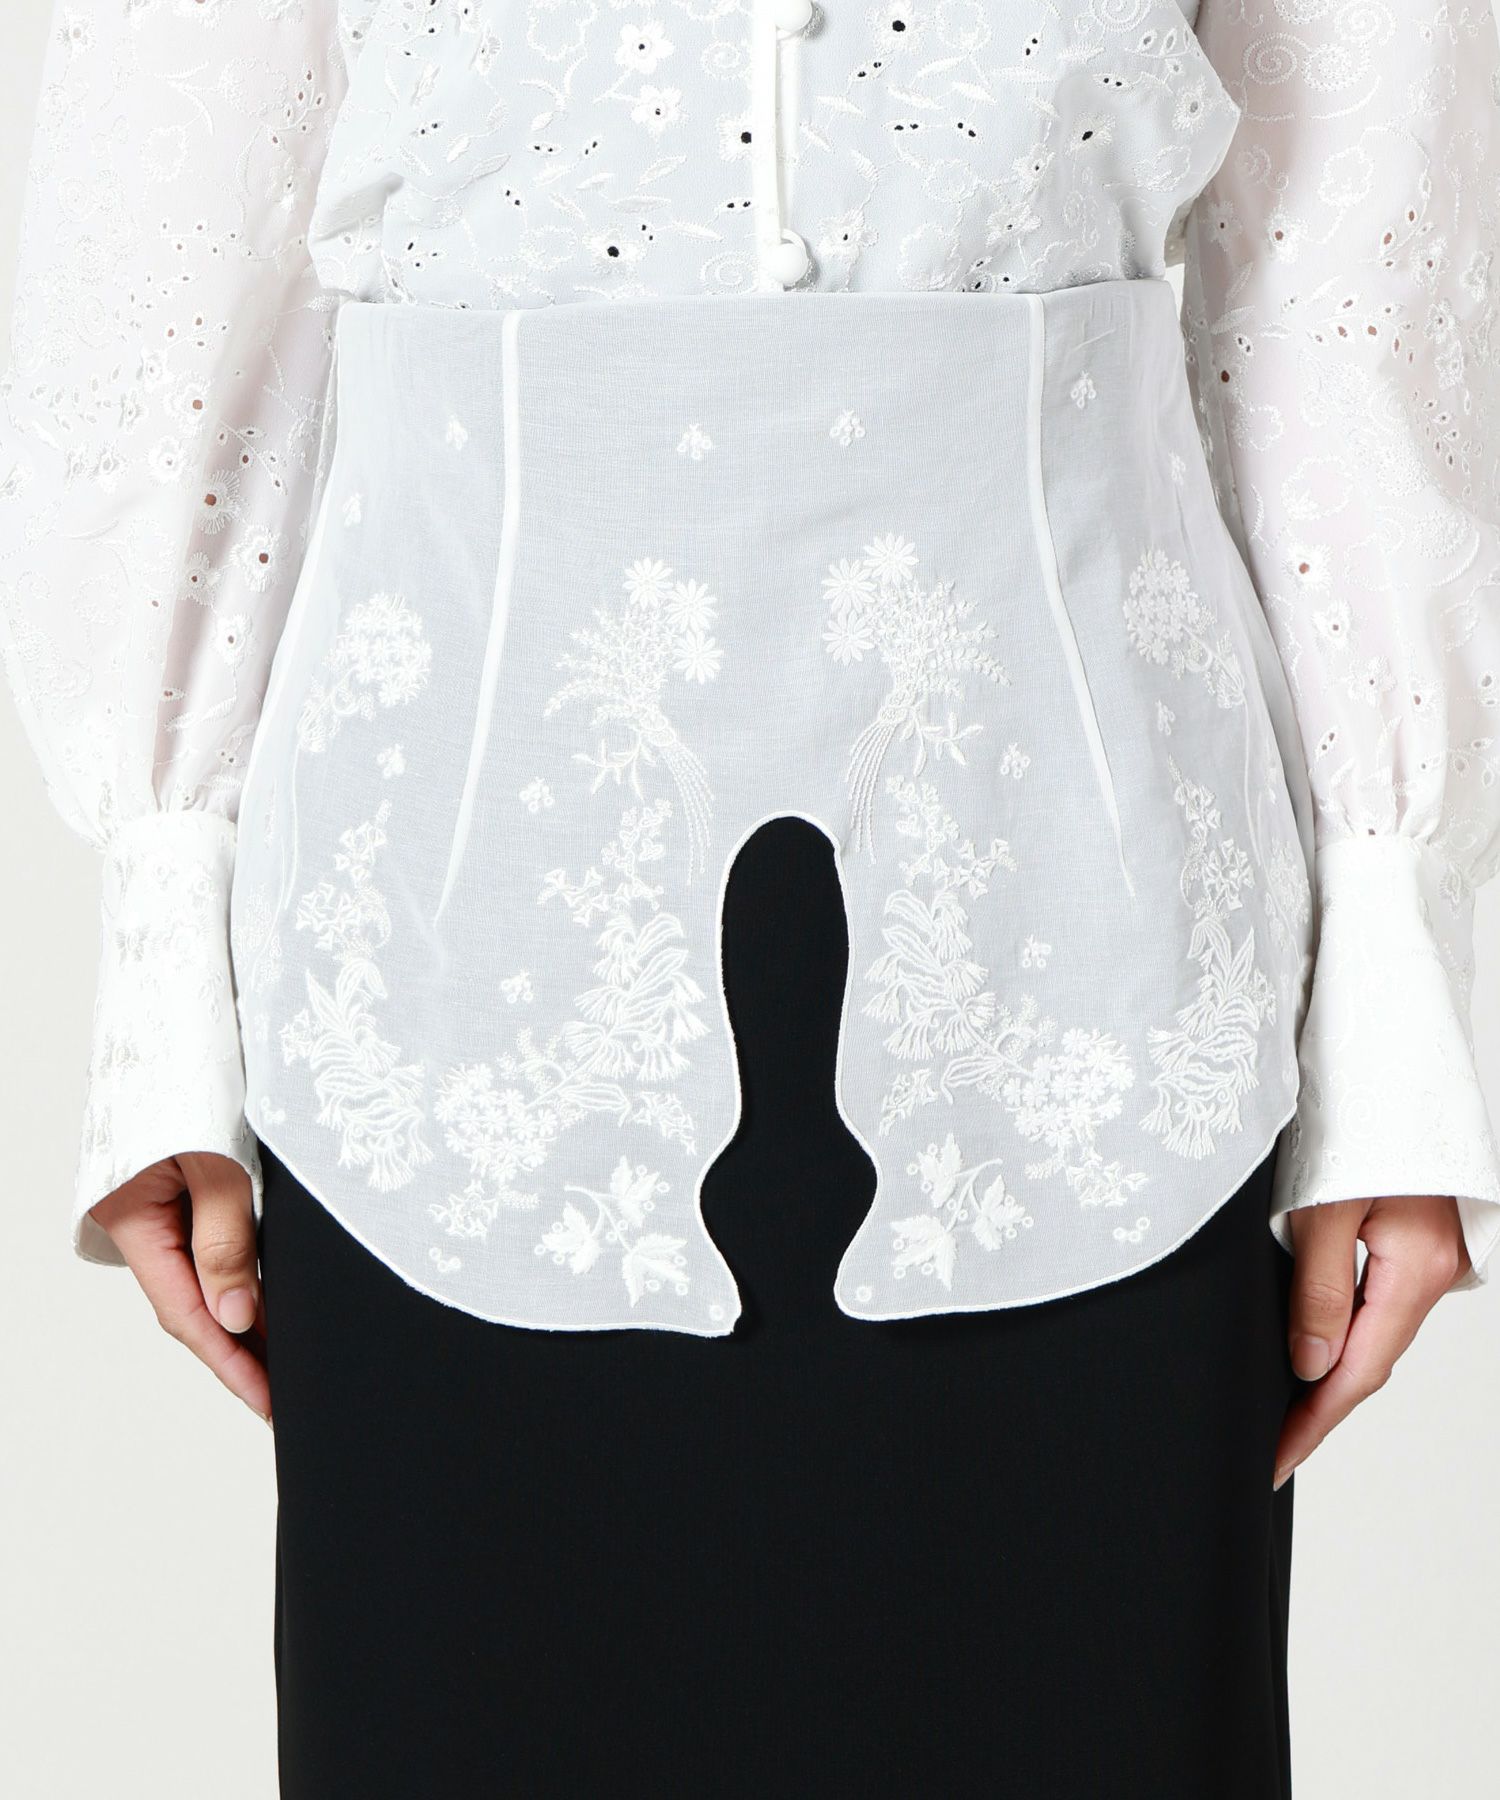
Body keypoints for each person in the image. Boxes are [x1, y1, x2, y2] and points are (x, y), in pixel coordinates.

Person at [2, 0, 1497, 1793]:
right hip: (469, 971)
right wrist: (162, 948)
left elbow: (1353, 256)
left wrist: (1393, 992)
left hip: (1072, 958)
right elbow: (163, 238)